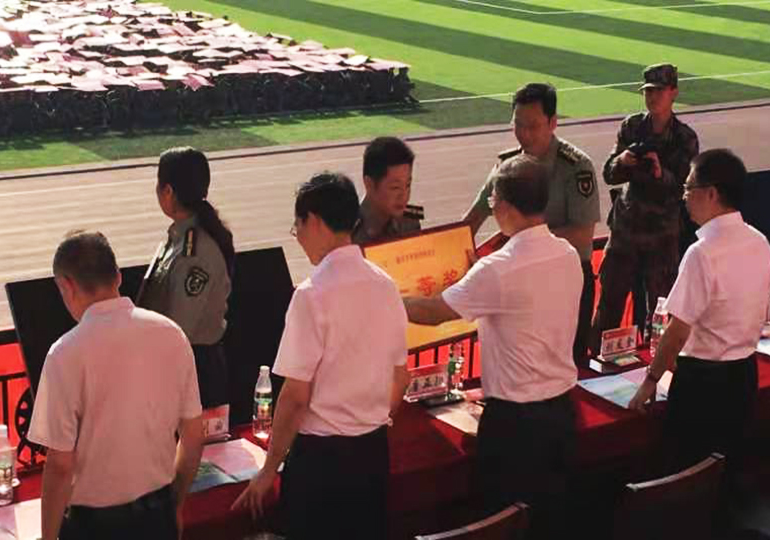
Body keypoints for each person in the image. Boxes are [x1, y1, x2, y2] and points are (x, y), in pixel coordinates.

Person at [407, 156, 582, 539]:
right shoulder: (567, 255)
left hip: (516, 427)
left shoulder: (498, 270)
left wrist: (389, 296)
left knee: (503, 523)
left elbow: (435, 312)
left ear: (503, 205)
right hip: (562, 415)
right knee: (552, 522)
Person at [232, 172, 410, 540]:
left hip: (322, 465)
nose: (297, 236)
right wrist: (369, 419)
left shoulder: (312, 295)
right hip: (372, 455)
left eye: (297, 226)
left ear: (313, 220)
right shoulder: (386, 285)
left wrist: (268, 470)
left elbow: (295, 396)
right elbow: (401, 378)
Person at [28, 231, 203, 540]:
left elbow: (60, 465)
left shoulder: (66, 353)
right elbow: (193, 436)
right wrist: (174, 505)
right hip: (157, 517)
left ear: (66, 286)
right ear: (118, 276)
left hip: (95, 527)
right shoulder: (171, 334)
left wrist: (47, 537)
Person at [629, 149, 770, 475]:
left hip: (702, 385)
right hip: (743, 375)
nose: (684, 197)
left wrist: (650, 380)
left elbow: (677, 331)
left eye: (688, 188)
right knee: (728, 469)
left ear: (711, 194)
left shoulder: (703, 253)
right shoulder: (760, 242)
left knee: (689, 473)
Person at [462, 83, 599, 363]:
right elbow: (472, 220)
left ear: (553, 122)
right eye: (518, 125)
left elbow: (582, 235)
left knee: (567, 365)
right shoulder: (508, 167)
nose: (524, 134)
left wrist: (522, 244)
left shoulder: (575, 167)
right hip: (520, 284)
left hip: (565, 281)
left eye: (533, 126)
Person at [591, 64, 699, 355]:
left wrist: (659, 173)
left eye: (659, 91)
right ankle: (598, 362)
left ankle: (658, 364)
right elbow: (609, 174)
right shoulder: (631, 127)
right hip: (626, 229)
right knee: (610, 302)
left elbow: (684, 190)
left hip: (662, 234)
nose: (652, 97)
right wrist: (624, 160)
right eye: (648, 91)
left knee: (661, 308)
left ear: (673, 92)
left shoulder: (685, 138)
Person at [137, 146, 234, 409]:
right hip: (176, 363)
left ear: (168, 191)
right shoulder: (179, 238)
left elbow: (179, 328)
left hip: (191, 369)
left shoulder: (196, 252)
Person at [352, 136, 424, 246]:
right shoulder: (347, 231)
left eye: (408, 185)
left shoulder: (410, 219)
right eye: (395, 187)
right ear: (369, 184)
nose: (404, 196)